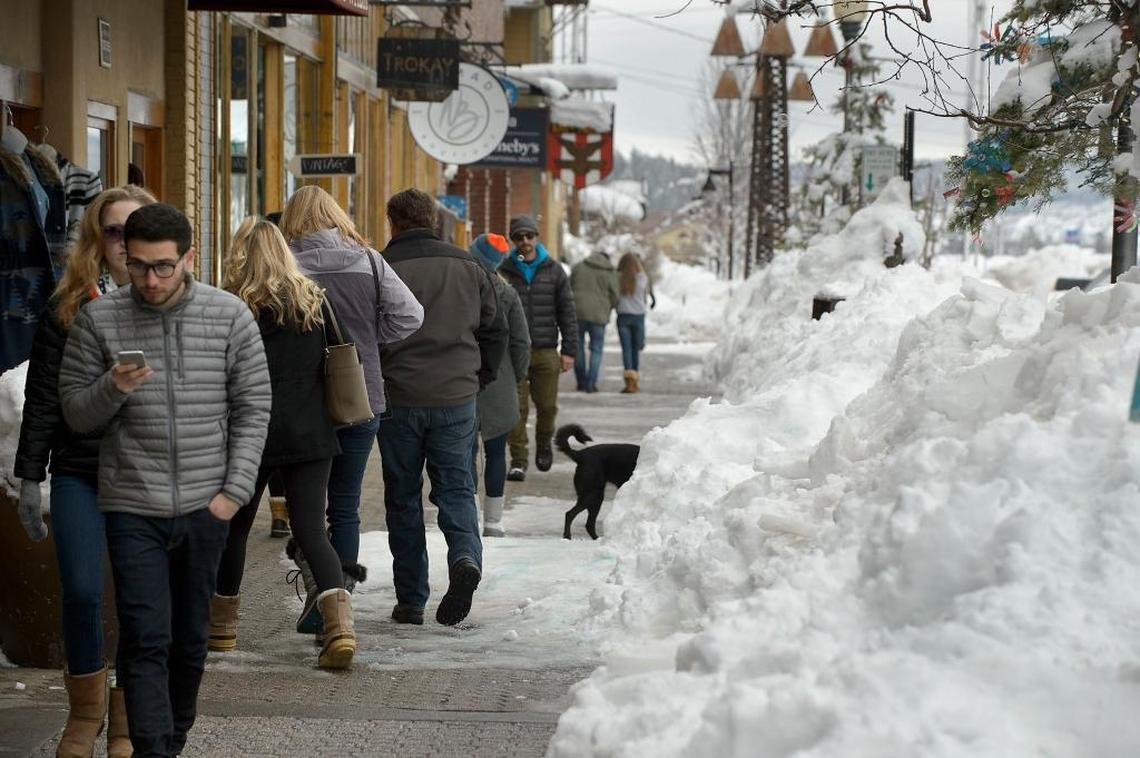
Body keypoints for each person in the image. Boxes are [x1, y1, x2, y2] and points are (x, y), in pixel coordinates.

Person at [57, 203, 271, 758]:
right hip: (132, 504)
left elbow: (254, 407)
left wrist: (233, 493)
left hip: (207, 506)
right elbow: (77, 415)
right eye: (138, 266)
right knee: (145, 634)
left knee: (189, 640)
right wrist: (114, 388)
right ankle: (152, 748)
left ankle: (172, 739)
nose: (150, 279)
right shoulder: (98, 321)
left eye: (163, 267)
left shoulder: (229, 317)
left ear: (189, 258)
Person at [13, 185, 155, 758]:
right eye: (114, 231)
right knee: (81, 588)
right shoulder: (68, 307)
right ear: (99, 239)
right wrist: (29, 477)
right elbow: (43, 398)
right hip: (79, 470)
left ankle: (124, 721)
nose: (124, 242)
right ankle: (84, 716)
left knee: (140, 597)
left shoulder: (178, 306)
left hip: (148, 477)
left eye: (135, 229)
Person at [208, 217, 355, 670]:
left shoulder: (231, 306)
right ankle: (340, 629)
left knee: (233, 529)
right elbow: (342, 352)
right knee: (312, 530)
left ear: (240, 257)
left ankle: (222, 629)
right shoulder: (315, 303)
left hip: (249, 434)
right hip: (310, 432)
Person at [280, 185, 423, 629]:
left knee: (306, 508)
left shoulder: (285, 265)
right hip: (360, 396)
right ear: (334, 215)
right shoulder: (369, 261)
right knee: (345, 505)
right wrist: (365, 341)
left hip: (302, 403)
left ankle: (318, 594)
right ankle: (337, 607)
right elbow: (411, 315)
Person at [377, 188, 508, 626]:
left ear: (393, 222)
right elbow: (496, 329)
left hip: (399, 397)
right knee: (456, 488)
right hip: (456, 397)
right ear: (433, 220)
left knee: (403, 498)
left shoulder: (381, 266)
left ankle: (410, 600)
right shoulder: (471, 266)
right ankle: (465, 558)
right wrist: (478, 378)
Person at [498, 215, 577, 481]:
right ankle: (518, 459)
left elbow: (567, 312)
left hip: (545, 350)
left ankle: (544, 443)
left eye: (529, 236)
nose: (524, 242)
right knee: (515, 408)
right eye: (519, 237)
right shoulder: (504, 269)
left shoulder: (554, 270)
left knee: (546, 406)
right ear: (513, 240)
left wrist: (569, 350)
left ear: (536, 237)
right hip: (512, 352)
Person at [468, 233, 530, 537]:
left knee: (463, 454)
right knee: (496, 453)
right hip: (500, 382)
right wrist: (514, 377)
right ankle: (493, 521)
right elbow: (521, 342)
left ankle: (466, 516)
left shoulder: (460, 289)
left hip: (462, 380)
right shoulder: (507, 293)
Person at [570, 248, 619, 393]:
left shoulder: (579, 267)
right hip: (599, 315)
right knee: (596, 349)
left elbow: (568, 286)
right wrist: (608, 306)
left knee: (578, 347)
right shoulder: (609, 272)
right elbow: (616, 296)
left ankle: (581, 382)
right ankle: (591, 383)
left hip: (578, 312)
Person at [616, 252, 656, 394]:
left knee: (627, 350)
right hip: (638, 317)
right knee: (635, 349)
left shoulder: (618, 278)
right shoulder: (642, 278)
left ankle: (629, 383)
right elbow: (648, 294)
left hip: (623, 317)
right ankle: (635, 381)